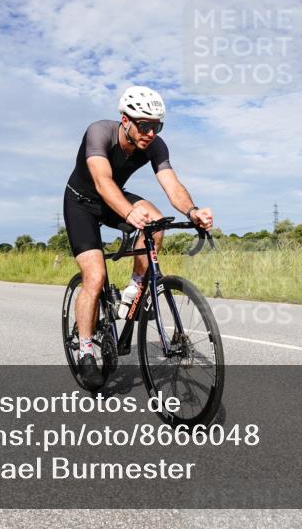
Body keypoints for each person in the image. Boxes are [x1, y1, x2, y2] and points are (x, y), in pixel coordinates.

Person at [64, 86, 213, 389]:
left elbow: (172, 185)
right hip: (82, 203)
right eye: (144, 125)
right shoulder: (99, 133)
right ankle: (86, 347)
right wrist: (128, 213)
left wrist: (193, 211)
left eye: (156, 126)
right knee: (94, 276)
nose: (150, 132)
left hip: (112, 199)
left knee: (157, 222)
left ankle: (135, 286)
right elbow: (103, 181)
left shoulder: (155, 145)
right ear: (125, 120)